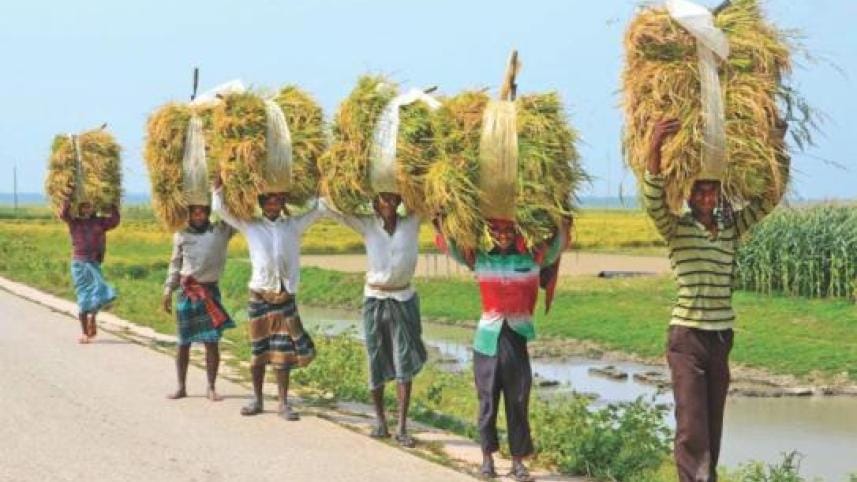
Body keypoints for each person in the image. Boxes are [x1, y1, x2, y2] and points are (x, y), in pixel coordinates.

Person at [644, 119, 787, 482]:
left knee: (713, 423)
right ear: (689, 196)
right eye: (700, 192)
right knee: (692, 425)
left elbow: (770, 197)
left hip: (721, 338)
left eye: (713, 191)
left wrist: (776, 146)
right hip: (687, 338)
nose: (707, 198)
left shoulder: (730, 229)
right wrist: (654, 146)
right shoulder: (676, 229)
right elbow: (653, 200)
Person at [434, 215, 570, 482]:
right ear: (490, 234)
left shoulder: (531, 260)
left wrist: (562, 224)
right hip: (487, 341)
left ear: (518, 232)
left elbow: (557, 248)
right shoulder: (481, 259)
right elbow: (453, 249)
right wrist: (441, 225)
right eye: (498, 231)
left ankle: (518, 462)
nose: (504, 236)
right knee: (487, 401)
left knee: (518, 401)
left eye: (509, 231)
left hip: (516, 339)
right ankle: (487, 459)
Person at [212, 175, 323, 420]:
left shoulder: (293, 225)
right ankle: (257, 399)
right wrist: (219, 185)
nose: (273, 206)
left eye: (277, 201)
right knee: (258, 351)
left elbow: (320, 209)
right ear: (262, 204)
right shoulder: (250, 225)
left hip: (285, 297)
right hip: (259, 295)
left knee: (283, 353)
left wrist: (321, 183)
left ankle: (284, 402)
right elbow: (220, 209)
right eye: (269, 202)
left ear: (282, 203)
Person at [325, 193, 428, 448]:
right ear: (374, 204)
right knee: (375, 357)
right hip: (375, 298)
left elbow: (432, 201)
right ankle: (380, 421)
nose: (389, 204)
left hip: (403, 297)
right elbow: (331, 208)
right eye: (383, 200)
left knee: (404, 359)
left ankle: (402, 427)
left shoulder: (411, 223)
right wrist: (330, 189)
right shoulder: (367, 225)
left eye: (393, 199)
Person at [162, 204, 237, 402]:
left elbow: (238, 215)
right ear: (188, 214)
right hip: (187, 292)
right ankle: (181, 387)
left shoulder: (221, 230)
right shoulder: (181, 234)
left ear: (208, 213)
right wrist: (168, 289)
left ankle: (211, 387)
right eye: (194, 212)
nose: (198, 216)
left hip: (210, 292)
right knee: (183, 343)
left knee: (211, 342)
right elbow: (175, 263)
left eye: (202, 212)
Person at [59, 198, 120, 344]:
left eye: (90, 206)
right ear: (79, 209)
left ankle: (93, 315)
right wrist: (67, 201)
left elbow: (114, 221)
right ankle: (85, 333)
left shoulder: (99, 222)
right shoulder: (75, 222)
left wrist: (112, 205)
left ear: (94, 208)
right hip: (79, 264)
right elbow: (63, 215)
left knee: (100, 290)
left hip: (93, 263)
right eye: (84, 207)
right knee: (83, 296)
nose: (87, 209)